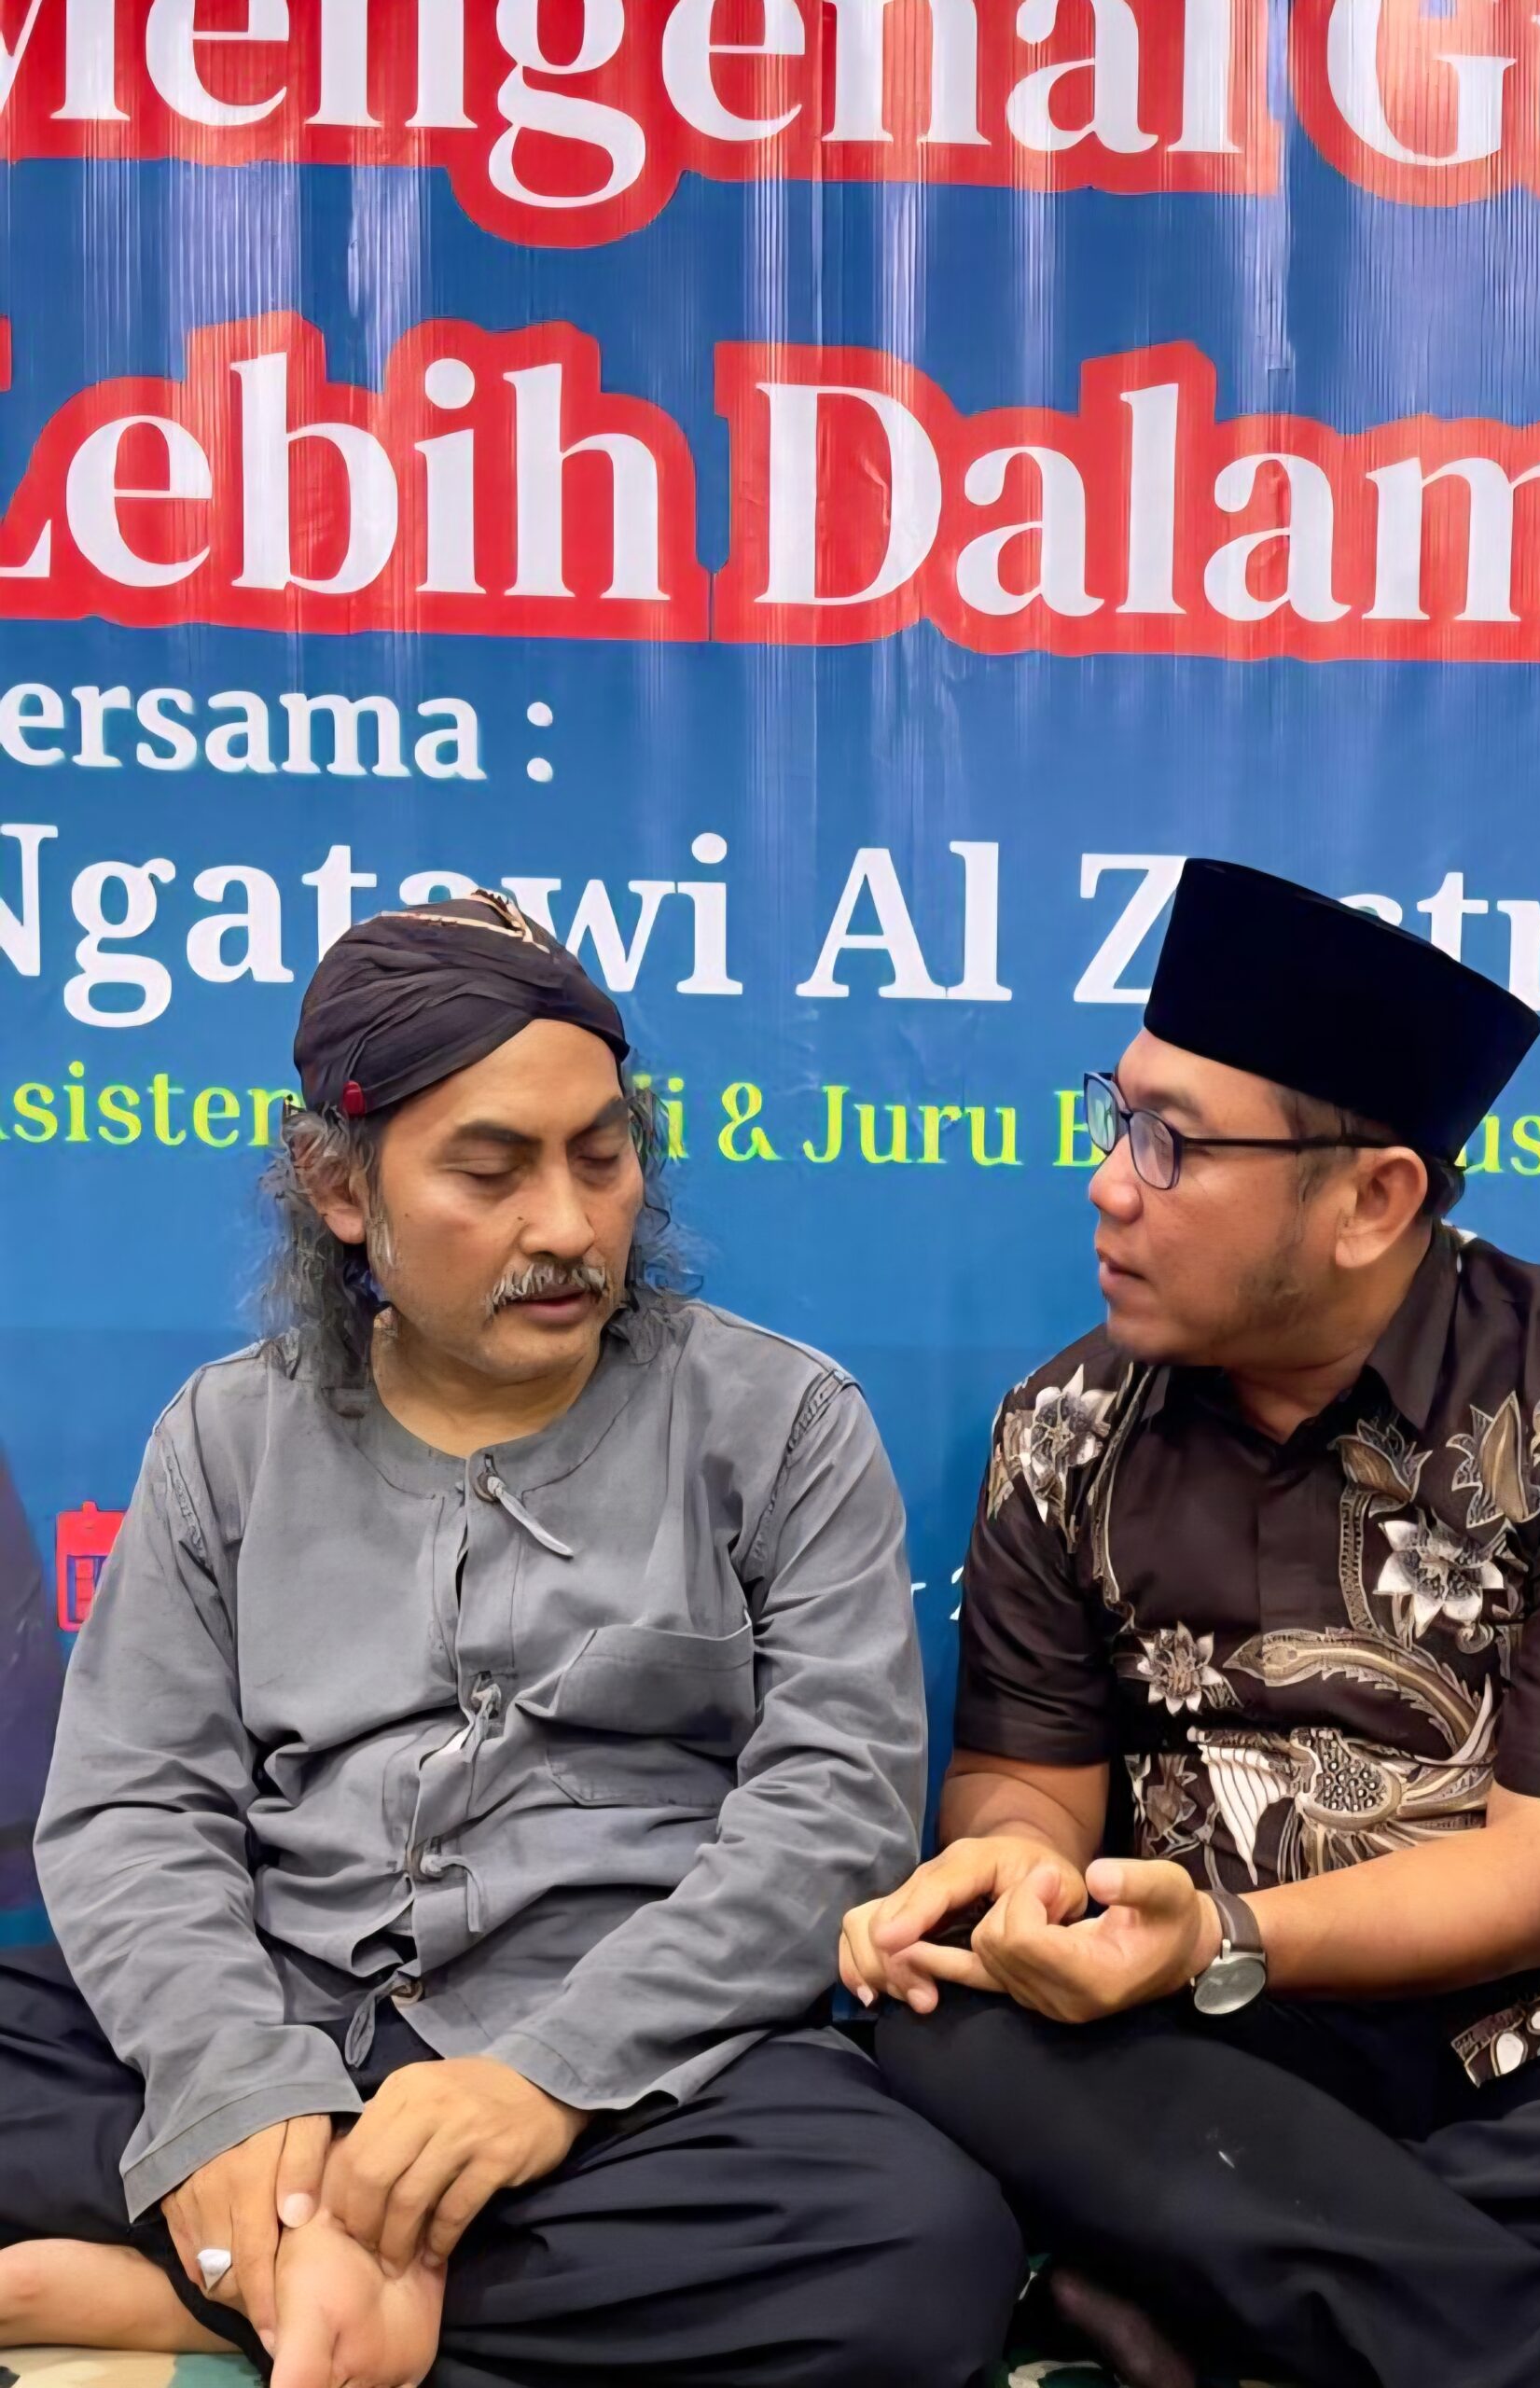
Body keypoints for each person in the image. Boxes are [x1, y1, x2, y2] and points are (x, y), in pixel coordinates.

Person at [0, 890, 1021, 2388]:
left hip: (635, 2079)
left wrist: (545, 2077)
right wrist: (232, 2087)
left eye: (601, 1158)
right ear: (338, 1188)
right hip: (288, 2001)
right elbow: (135, 1807)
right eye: (491, 1172)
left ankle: (210, 2291)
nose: (567, 1226)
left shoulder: (780, 1424)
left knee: (914, 2255)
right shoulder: (227, 1436)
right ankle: (339, 2262)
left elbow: (833, 1817)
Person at [845, 858, 1540, 2388]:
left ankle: (1227, 2285)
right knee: (936, 2018)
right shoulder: (1063, 1427)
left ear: (1372, 1201)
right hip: (1218, 2045)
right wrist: (1021, 1874)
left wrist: (1226, 1936)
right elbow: (1024, 1786)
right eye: (1117, 1118)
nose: (1108, 1183)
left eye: (1171, 1144)